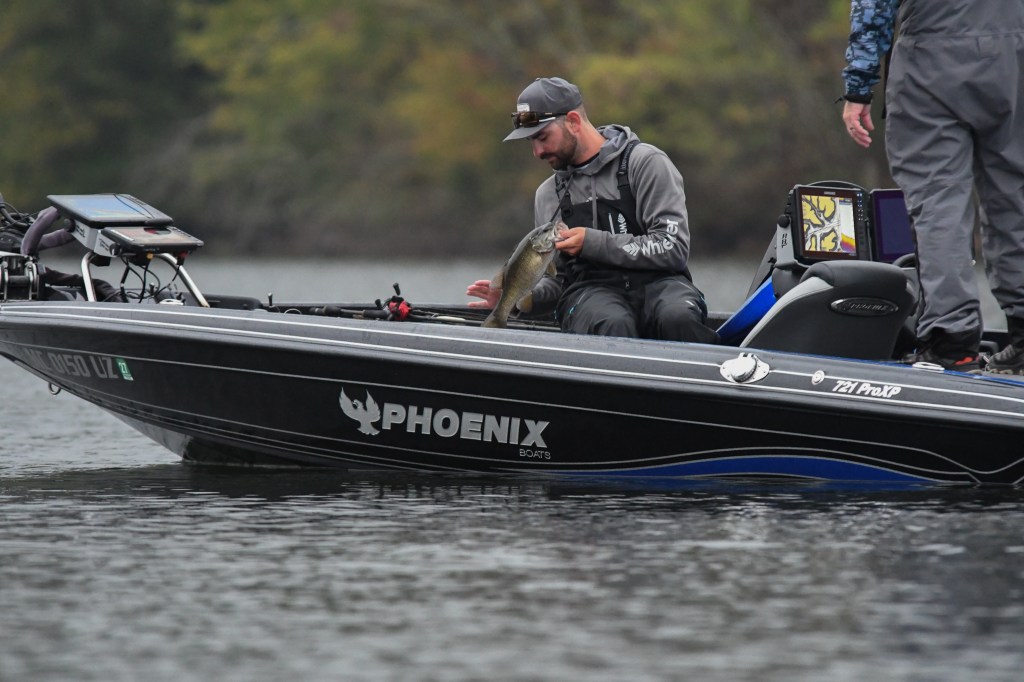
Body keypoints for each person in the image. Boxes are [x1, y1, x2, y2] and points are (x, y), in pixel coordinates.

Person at [841, 0, 1024, 373]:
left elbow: (874, 6)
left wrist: (858, 86)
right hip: (1015, 53)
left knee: (938, 199)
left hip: (932, 57)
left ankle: (952, 343)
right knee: (1015, 195)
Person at [467, 77, 718, 344]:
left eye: (542, 137)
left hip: (663, 284)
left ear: (573, 121)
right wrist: (516, 298)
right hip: (590, 294)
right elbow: (559, 281)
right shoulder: (548, 194)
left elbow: (673, 248)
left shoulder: (646, 163)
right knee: (612, 322)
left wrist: (591, 242)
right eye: (531, 141)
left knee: (677, 318)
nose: (537, 152)